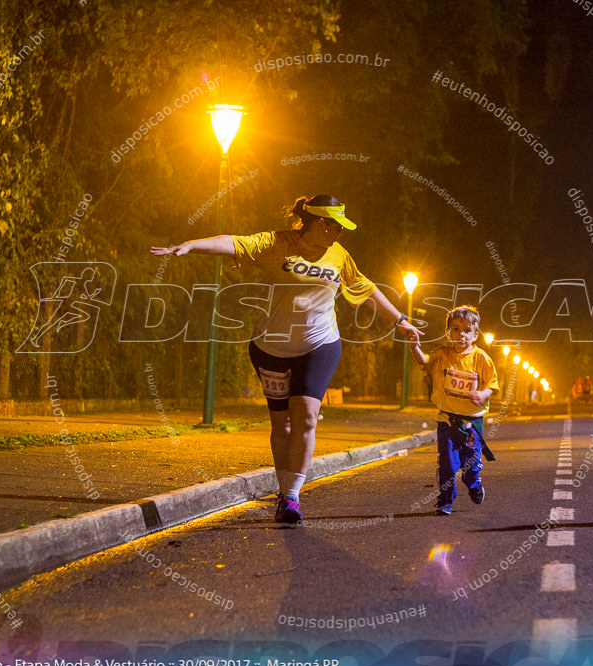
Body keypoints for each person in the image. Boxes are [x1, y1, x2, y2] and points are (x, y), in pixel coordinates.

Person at [150, 194, 421, 524]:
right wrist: (191, 245)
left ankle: (292, 497)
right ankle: (283, 489)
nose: (340, 233)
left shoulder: (339, 255)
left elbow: (363, 287)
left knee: (306, 415)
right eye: (337, 226)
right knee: (282, 424)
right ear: (320, 223)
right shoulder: (277, 243)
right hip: (271, 348)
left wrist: (400, 320)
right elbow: (234, 242)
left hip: (320, 344)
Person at [409, 305, 499, 515]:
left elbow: (492, 385)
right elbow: (424, 363)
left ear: (475, 335)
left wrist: (482, 394)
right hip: (446, 419)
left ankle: (474, 484)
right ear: (448, 332)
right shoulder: (441, 354)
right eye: (456, 329)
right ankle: (445, 501)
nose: (461, 334)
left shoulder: (481, 358)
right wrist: (414, 347)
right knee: (447, 463)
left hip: (471, 423)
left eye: (466, 330)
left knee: (470, 464)